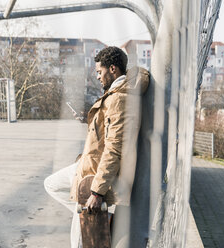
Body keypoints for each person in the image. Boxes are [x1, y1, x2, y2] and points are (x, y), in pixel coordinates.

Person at [44, 46, 150, 247]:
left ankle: (95, 213)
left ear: (112, 69)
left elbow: (115, 148)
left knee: (80, 230)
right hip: (90, 164)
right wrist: (90, 119)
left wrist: (97, 192)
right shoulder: (118, 92)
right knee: (53, 185)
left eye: (100, 72)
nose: (98, 77)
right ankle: (97, 215)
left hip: (95, 172)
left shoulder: (119, 98)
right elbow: (109, 131)